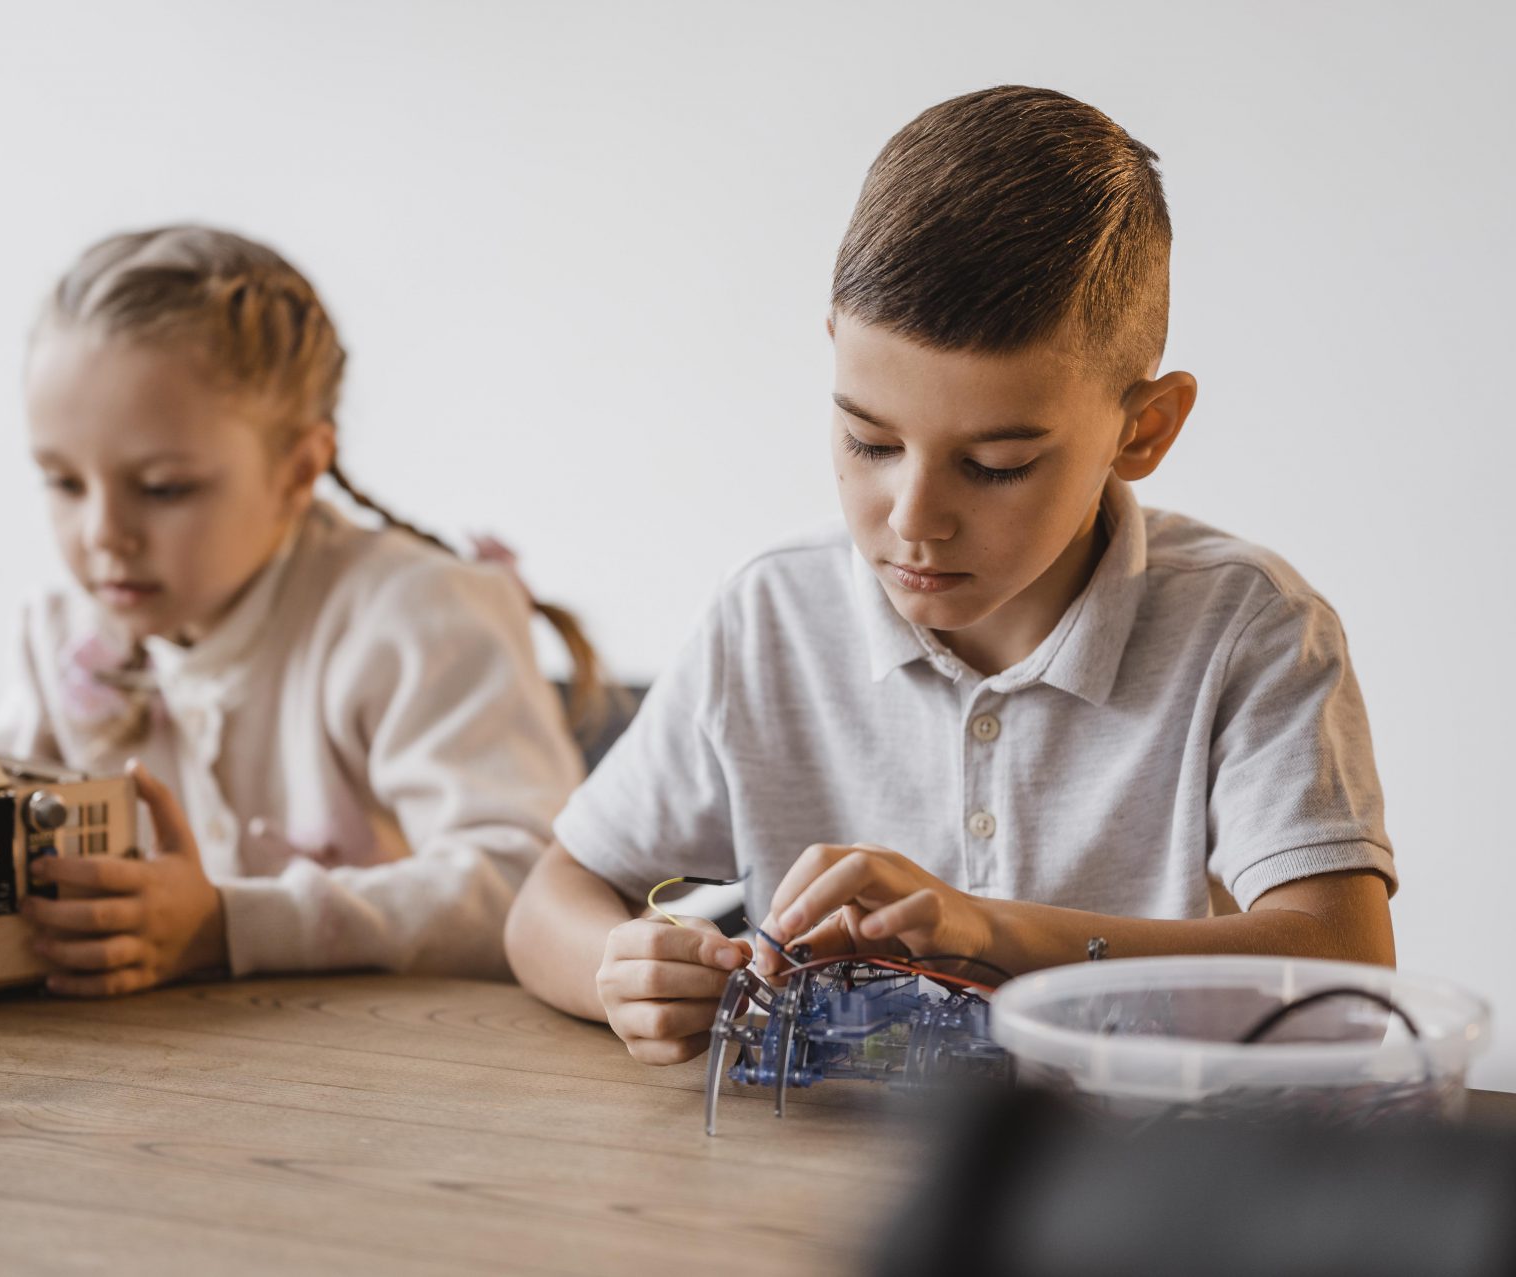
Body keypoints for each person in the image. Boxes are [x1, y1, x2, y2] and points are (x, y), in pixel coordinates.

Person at [504, 86, 1396, 1065]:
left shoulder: (1249, 628)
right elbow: (550, 900)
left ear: (1143, 431)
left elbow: (1346, 977)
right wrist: (620, 970)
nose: (913, 519)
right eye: (868, 440)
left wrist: (990, 930)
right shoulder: (772, 613)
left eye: (997, 465)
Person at [0, 225, 598, 994]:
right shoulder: (61, 629)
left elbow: (527, 890)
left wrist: (230, 924)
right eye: (64, 482)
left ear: (298, 468)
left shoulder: (415, 617)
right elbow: (3, 873)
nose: (104, 535)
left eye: (164, 488)